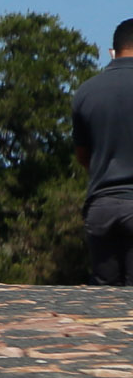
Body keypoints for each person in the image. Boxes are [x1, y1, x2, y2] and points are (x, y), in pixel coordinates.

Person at [77, 18, 133, 288]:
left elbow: (83, 155)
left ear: (114, 50)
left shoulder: (86, 91)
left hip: (101, 206)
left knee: (104, 302)